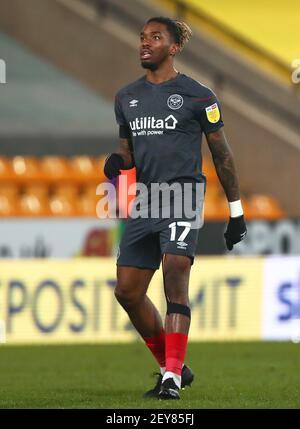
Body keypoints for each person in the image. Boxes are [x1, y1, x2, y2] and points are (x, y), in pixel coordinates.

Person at [104, 16, 247, 400]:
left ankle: (168, 377)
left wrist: (236, 211)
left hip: (183, 196)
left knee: (175, 271)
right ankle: (177, 366)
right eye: (142, 37)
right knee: (128, 292)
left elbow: (222, 154)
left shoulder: (198, 95)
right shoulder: (125, 98)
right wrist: (116, 164)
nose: (145, 43)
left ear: (174, 46)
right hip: (146, 199)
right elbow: (126, 153)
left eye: (155, 37)